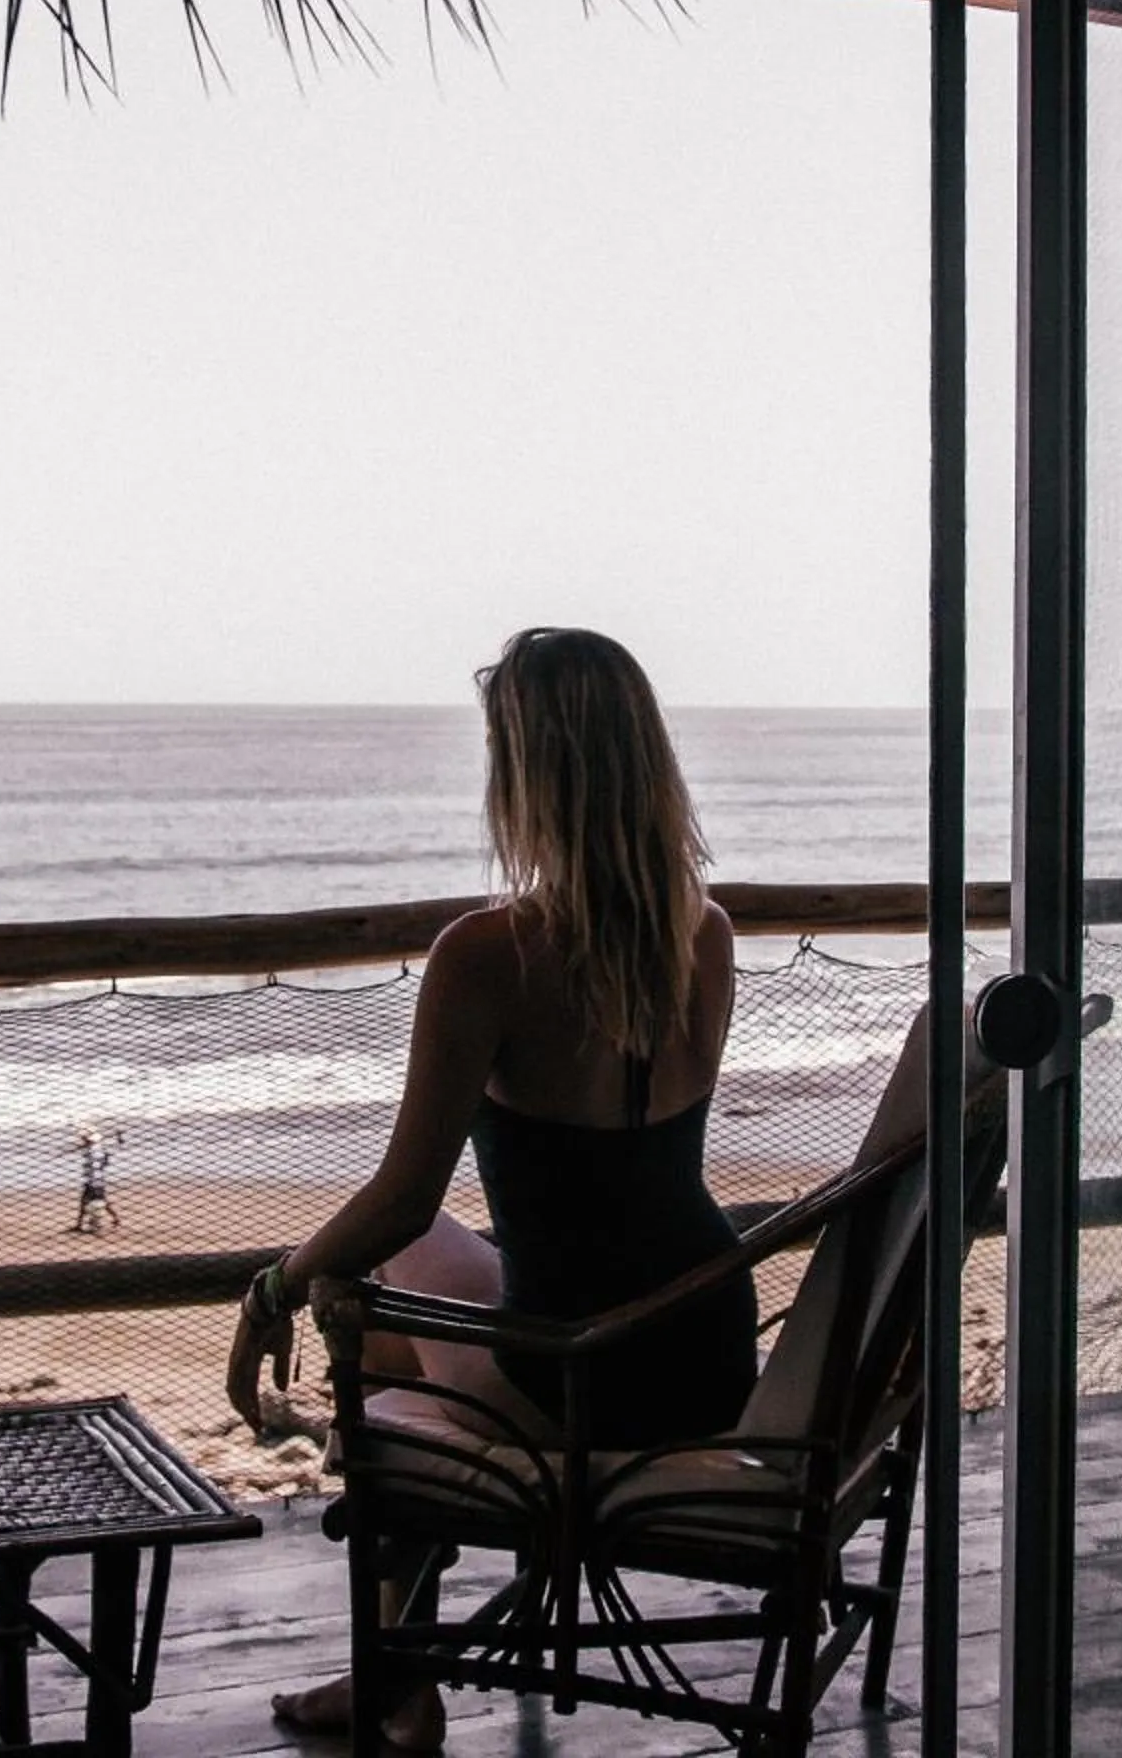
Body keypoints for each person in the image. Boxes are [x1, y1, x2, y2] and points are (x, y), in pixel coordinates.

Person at [227, 626, 755, 1752]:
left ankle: (397, 1676)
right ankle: (394, 1668)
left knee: (360, 1304)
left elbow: (404, 1193)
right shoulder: (701, 933)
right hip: (704, 1341)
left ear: (528, 776)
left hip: (577, 1366)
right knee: (392, 1266)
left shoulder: (487, 955)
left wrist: (272, 1287)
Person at [72, 1125, 121, 1234]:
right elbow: (106, 1159)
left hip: (94, 1181)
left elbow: (93, 1166)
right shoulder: (97, 1148)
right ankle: (79, 1224)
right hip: (96, 1179)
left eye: (84, 1138)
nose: (82, 1140)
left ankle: (107, 1221)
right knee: (86, 1201)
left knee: (96, 1202)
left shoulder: (92, 1150)